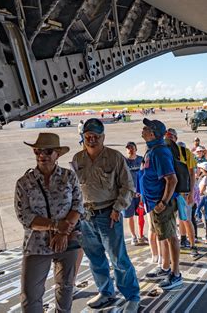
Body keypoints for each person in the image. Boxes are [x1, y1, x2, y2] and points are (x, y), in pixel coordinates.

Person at [71, 119, 140, 311]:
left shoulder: (115, 157)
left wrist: (118, 209)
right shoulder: (78, 159)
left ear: (103, 137)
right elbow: (74, 189)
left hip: (108, 214)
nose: (92, 140)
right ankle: (106, 292)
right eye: (88, 137)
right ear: (83, 137)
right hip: (86, 216)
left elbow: (128, 186)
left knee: (118, 258)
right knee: (95, 258)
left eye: (96, 137)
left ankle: (132, 296)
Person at [15, 133, 84, 313]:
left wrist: (62, 233)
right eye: (37, 151)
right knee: (30, 296)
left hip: (68, 241)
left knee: (66, 289)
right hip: (36, 246)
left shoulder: (69, 177)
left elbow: (78, 205)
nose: (41, 155)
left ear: (57, 154)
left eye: (47, 151)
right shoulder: (25, 182)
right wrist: (55, 225)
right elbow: (25, 217)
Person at [140, 119, 183, 290]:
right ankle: (165, 267)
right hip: (154, 202)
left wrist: (163, 202)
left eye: (146, 128)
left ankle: (176, 274)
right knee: (162, 236)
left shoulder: (159, 152)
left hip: (161, 203)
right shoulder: (152, 150)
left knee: (171, 236)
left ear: (153, 133)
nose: (142, 130)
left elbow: (172, 179)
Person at [164, 128, 198, 256]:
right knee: (174, 221)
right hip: (169, 193)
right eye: (167, 137)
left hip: (182, 193)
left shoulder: (185, 152)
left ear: (176, 138)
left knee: (186, 219)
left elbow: (192, 174)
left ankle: (193, 246)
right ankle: (182, 240)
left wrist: (191, 192)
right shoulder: (164, 152)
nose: (169, 139)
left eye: (171, 137)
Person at [123, 141, 147, 246]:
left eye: (132, 147)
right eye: (128, 148)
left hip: (140, 194)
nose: (130, 150)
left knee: (141, 215)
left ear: (136, 149)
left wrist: (142, 191)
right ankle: (134, 236)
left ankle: (141, 235)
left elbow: (145, 175)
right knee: (130, 216)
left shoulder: (141, 160)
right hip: (128, 194)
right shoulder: (123, 162)